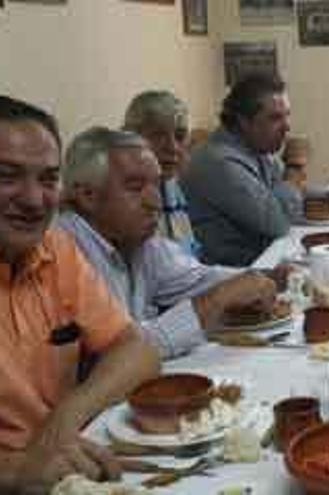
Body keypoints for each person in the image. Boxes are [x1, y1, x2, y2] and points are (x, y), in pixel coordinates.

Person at [0, 96, 160, 492]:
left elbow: (137, 349)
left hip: (67, 469)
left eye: (48, 179)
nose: (34, 200)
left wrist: (64, 420)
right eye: (7, 176)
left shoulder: (55, 249)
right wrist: (16, 471)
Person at [59, 126, 280, 360]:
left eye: (156, 185)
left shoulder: (138, 241)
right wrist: (218, 299)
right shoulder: (65, 249)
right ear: (87, 196)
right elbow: (121, 352)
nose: (154, 202)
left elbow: (197, 278)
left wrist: (269, 277)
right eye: (135, 187)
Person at [181, 73, 302, 266]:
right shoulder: (220, 162)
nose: (287, 127)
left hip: (262, 262)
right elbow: (279, 222)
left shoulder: (256, 148)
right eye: (275, 118)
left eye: (287, 116)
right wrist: (295, 165)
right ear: (243, 122)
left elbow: (285, 194)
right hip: (232, 275)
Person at [123, 90, 199, 256]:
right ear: (130, 138)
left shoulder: (171, 185)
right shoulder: (123, 198)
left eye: (180, 136)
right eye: (158, 135)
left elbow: (190, 257)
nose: (172, 147)